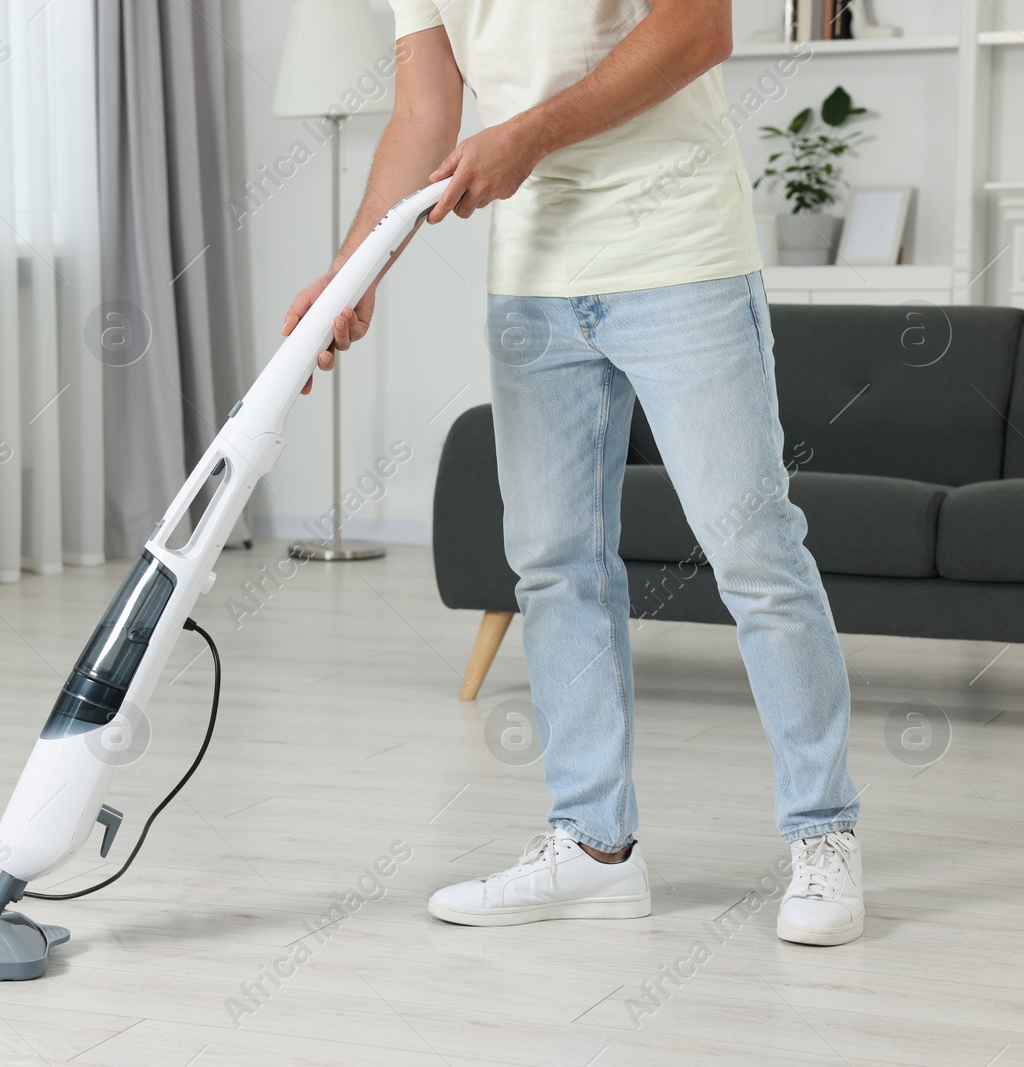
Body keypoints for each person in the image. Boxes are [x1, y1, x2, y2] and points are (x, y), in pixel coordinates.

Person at [281, 0, 864, 946]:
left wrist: (525, 136)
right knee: (555, 565)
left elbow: (697, 29)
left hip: (680, 255)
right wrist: (352, 274)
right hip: (535, 279)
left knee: (753, 547)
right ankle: (595, 849)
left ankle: (824, 833)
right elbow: (424, 113)